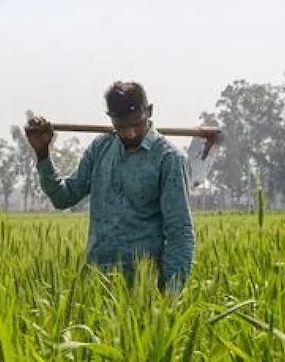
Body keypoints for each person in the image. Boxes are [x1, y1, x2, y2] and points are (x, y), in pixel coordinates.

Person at [24, 81, 196, 292]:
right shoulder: (100, 149)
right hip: (96, 281)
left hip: (143, 286)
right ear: (111, 119)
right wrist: (42, 153)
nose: (130, 133)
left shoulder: (168, 159)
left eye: (137, 124)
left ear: (149, 111)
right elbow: (63, 197)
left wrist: (171, 294)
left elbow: (180, 231)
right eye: (122, 127)